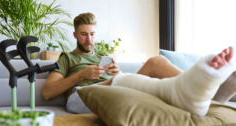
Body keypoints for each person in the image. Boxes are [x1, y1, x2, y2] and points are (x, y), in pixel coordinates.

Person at [42, 12, 236, 116]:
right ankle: (202, 86)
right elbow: (47, 92)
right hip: (81, 97)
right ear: (75, 35)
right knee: (154, 63)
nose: (89, 39)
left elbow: (112, 81)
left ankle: (202, 93)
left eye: (92, 34)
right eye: (84, 34)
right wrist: (81, 75)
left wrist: (115, 75)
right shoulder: (66, 58)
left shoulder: (103, 56)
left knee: (155, 89)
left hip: (110, 91)